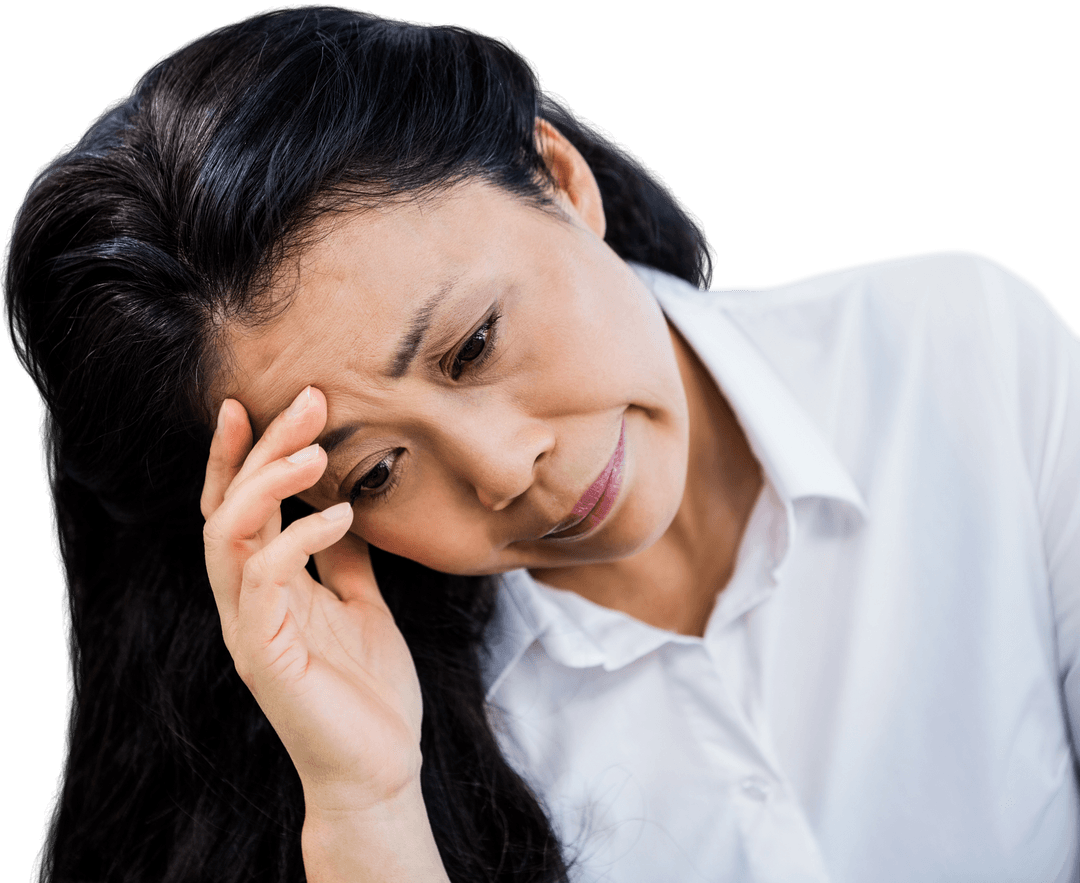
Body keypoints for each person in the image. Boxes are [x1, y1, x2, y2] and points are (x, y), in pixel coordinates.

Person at [2, 6, 1077, 883]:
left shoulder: (961, 352)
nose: (503, 468)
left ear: (561, 178)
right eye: (375, 471)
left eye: (473, 345)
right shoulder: (378, 717)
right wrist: (366, 808)